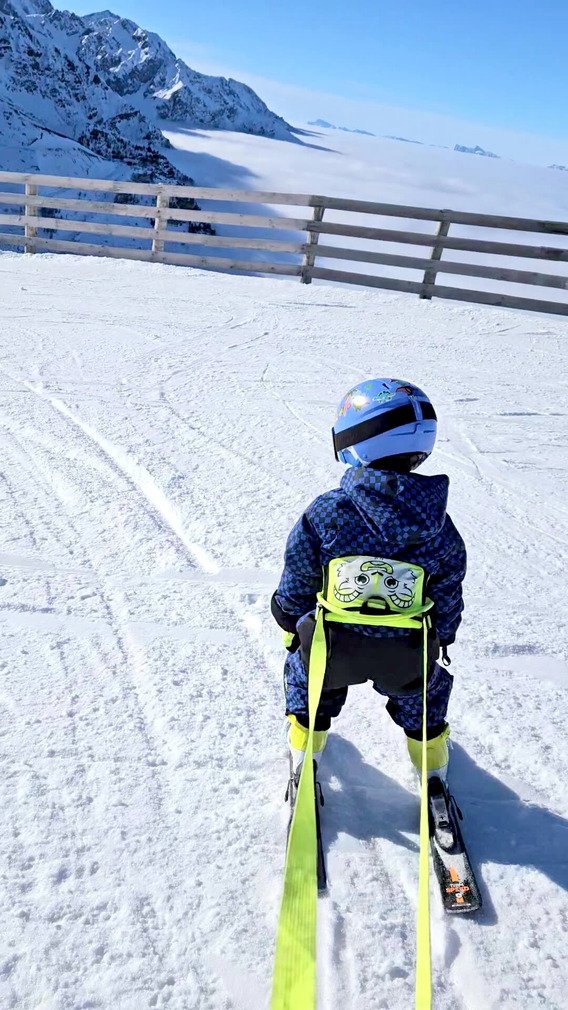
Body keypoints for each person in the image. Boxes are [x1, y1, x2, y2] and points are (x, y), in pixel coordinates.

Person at [271, 378, 466, 782]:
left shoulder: (328, 513)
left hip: (332, 646)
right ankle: (432, 766)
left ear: (357, 441)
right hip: (407, 651)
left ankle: (306, 747)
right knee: (424, 697)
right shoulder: (439, 528)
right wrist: (442, 634)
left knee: (308, 679)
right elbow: (448, 589)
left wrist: (288, 615)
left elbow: (299, 576)